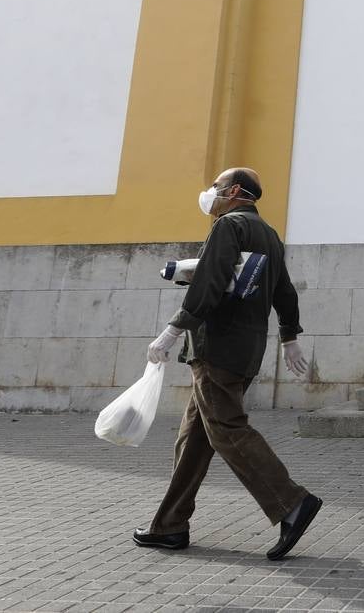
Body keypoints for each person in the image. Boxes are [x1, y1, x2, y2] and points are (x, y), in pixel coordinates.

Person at [132, 167, 322, 561]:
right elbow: (284, 290)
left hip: (217, 347)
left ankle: (291, 503)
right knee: (194, 438)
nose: (210, 193)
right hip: (246, 349)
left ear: (234, 190)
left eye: (216, 187)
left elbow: (210, 282)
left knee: (227, 429)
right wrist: (289, 337)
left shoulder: (227, 226)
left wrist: (171, 331)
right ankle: (169, 525)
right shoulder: (269, 234)